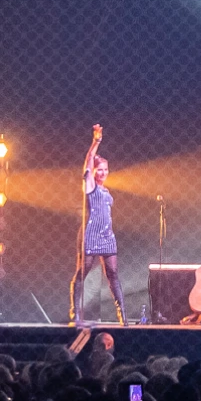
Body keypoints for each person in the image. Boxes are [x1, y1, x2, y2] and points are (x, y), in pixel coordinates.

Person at [66, 125, 127, 325]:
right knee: (82, 273)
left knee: (113, 274)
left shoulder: (106, 190)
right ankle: (75, 312)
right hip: (91, 234)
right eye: (99, 169)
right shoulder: (90, 185)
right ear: (93, 171)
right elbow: (88, 160)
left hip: (107, 236)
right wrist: (96, 142)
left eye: (105, 170)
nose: (103, 173)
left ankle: (122, 314)